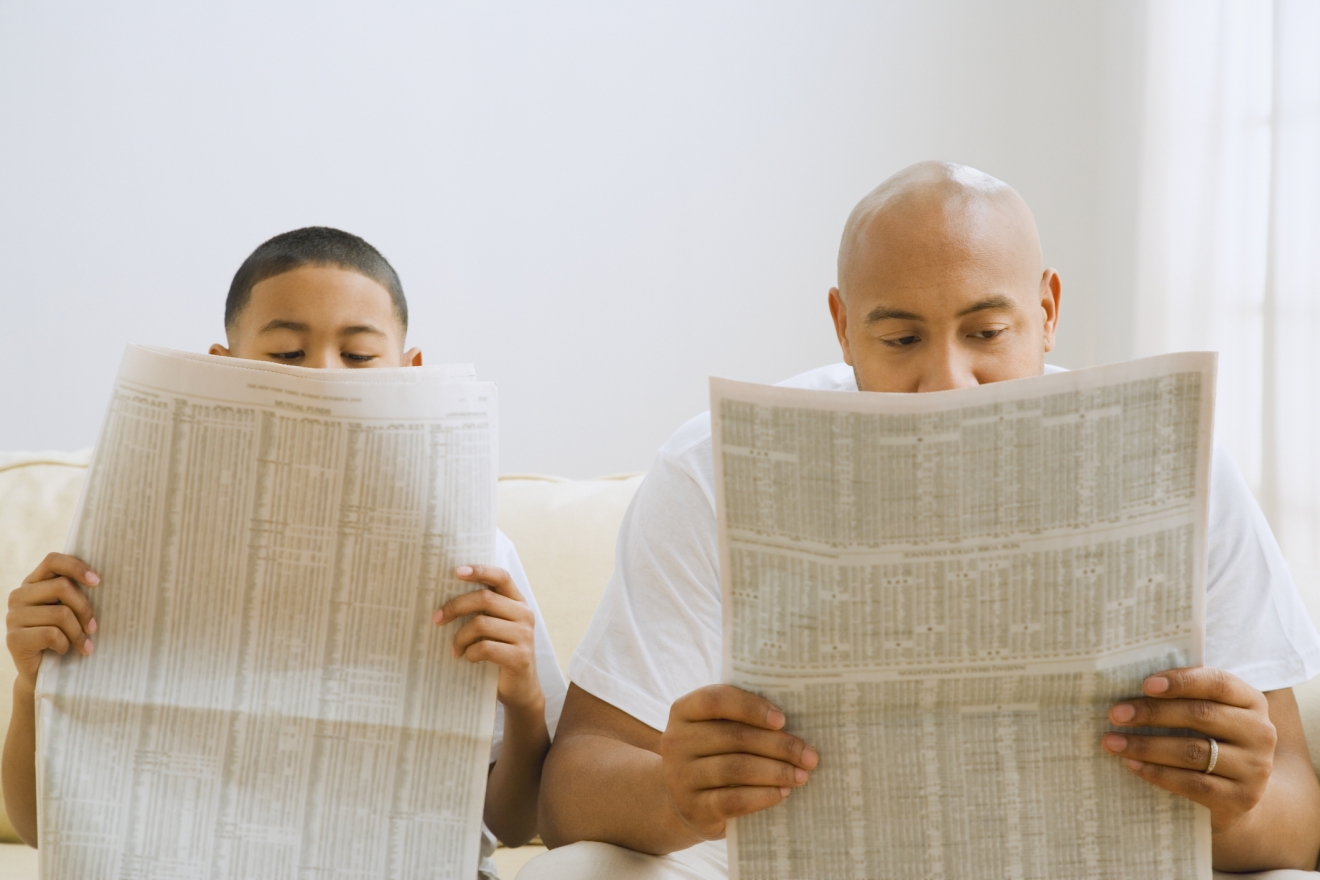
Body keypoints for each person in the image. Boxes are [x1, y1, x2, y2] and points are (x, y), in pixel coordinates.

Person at [532, 162, 1320, 877]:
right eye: (901, 338)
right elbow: (570, 791)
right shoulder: (713, 469)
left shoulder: (1169, 458)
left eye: (986, 332)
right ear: (844, 329)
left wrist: (1233, 795)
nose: (948, 384)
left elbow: (1297, 816)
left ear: (1046, 312)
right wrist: (678, 790)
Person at [2, 227, 566, 880]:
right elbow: (46, 828)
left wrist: (524, 704)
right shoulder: (118, 548)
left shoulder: (476, 555)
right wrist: (29, 685)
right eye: (287, 353)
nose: (323, 377)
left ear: (410, 373)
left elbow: (521, 823)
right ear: (223, 365)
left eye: (357, 355)